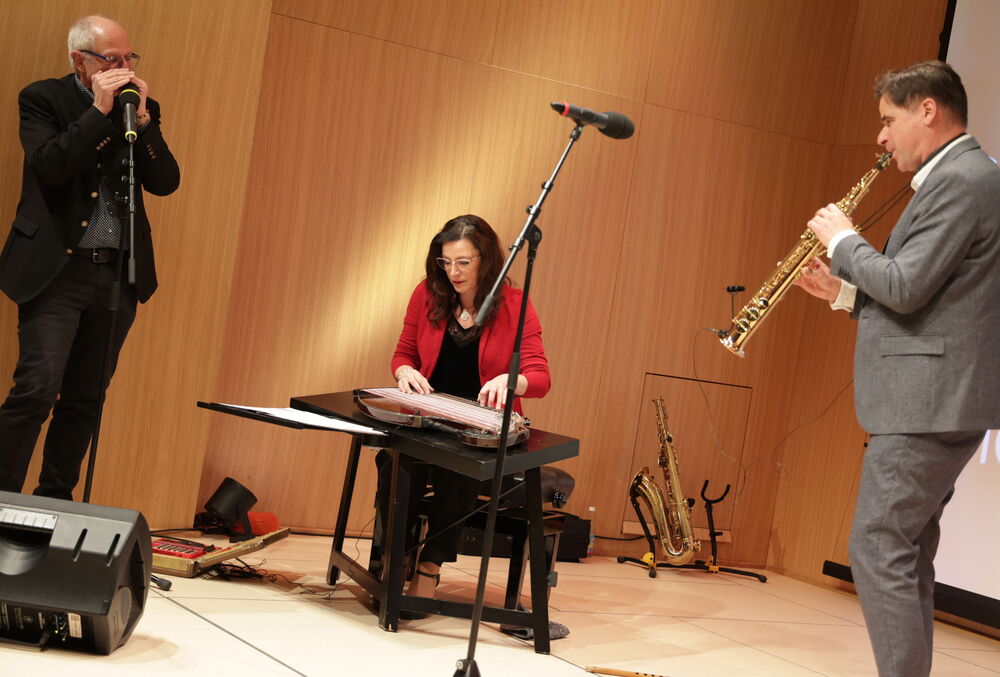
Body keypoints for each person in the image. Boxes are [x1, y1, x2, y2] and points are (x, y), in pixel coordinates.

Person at [795, 61, 1000, 677]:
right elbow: (941, 302)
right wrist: (844, 294)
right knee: (906, 552)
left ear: (927, 110)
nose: (881, 136)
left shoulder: (962, 179)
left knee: (878, 545)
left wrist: (844, 239)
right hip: (938, 398)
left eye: (889, 120)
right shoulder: (967, 177)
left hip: (928, 402)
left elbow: (907, 287)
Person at [0, 16, 180, 499]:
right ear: (79, 60)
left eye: (128, 58)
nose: (123, 68)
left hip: (117, 273)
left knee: (85, 398)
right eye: (110, 59)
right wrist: (99, 111)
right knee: (36, 389)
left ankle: (54, 504)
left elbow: (165, 181)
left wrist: (143, 121)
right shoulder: (43, 98)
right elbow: (50, 166)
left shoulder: (138, 108)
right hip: (57, 271)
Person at [376, 214, 550, 607]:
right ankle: (395, 555)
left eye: (463, 262)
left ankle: (429, 566)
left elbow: (540, 376)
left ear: (486, 260)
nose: (453, 272)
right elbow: (404, 353)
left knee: (460, 468)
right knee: (393, 461)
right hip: (429, 416)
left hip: (479, 425)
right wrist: (404, 371)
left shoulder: (515, 304)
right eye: (446, 262)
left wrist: (513, 380)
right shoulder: (428, 293)